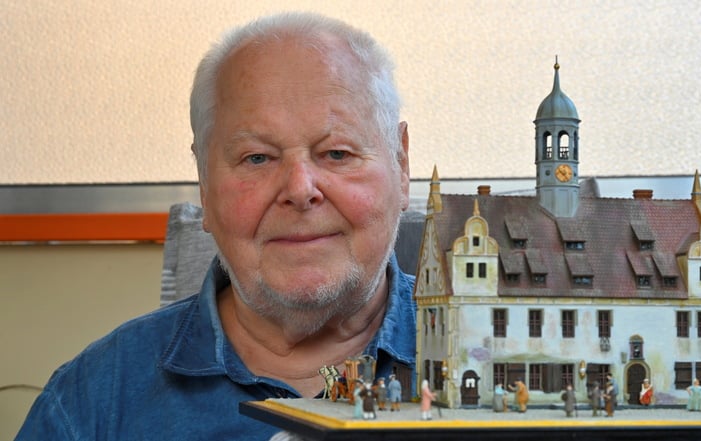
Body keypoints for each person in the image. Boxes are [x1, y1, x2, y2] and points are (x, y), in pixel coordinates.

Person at [15, 12, 414, 441]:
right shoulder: (88, 405)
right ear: (205, 185)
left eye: (336, 153)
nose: (300, 190)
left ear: (402, 165)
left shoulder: (491, 363)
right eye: (257, 158)